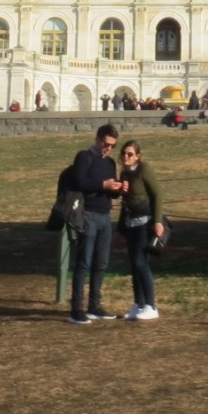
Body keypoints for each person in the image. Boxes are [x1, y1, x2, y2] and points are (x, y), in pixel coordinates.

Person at [67, 124, 127, 324]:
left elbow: (112, 191)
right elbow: (80, 183)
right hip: (88, 214)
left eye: (112, 145)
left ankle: (94, 305)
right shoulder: (84, 157)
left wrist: (118, 189)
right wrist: (104, 185)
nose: (108, 148)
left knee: (101, 263)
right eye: (106, 144)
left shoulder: (109, 163)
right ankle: (77, 308)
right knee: (84, 262)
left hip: (104, 215)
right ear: (98, 139)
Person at [116, 139, 166, 321]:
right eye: (123, 153)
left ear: (138, 156)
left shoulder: (144, 169)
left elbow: (158, 193)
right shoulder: (124, 174)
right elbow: (125, 203)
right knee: (133, 264)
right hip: (130, 223)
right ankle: (138, 303)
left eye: (130, 154)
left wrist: (158, 221)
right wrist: (119, 229)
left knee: (140, 263)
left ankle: (151, 305)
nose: (126, 157)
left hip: (144, 222)